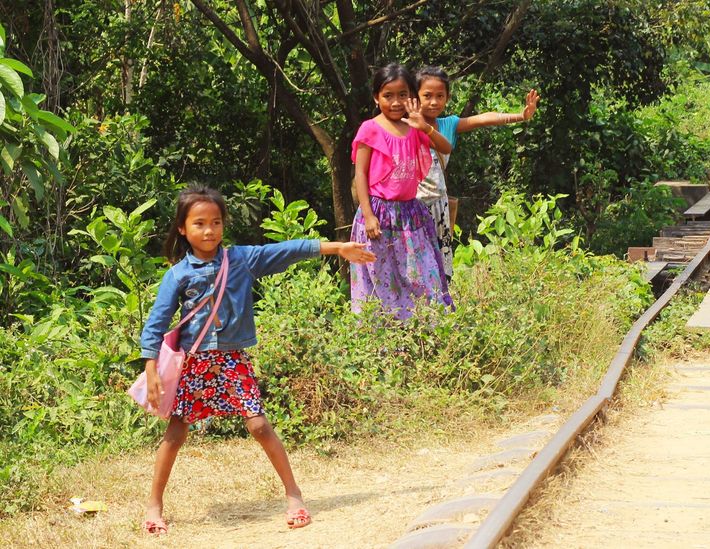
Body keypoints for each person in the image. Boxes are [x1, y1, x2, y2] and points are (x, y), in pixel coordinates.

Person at [138, 186, 375, 534]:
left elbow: (285, 250)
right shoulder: (177, 275)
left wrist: (337, 247)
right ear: (182, 229)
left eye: (216, 222)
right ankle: (154, 504)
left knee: (259, 426)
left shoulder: (241, 260)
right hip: (194, 364)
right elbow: (156, 324)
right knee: (175, 434)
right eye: (200, 223)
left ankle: (294, 494)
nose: (209, 231)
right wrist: (150, 369)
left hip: (234, 361)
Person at [350, 63, 453, 319]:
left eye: (403, 95)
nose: (396, 102)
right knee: (379, 281)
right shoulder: (370, 128)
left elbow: (446, 147)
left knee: (422, 276)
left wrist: (424, 126)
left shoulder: (415, 128)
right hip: (378, 215)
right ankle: (382, 339)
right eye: (388, 95)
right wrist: (369, 214)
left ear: (412, 97)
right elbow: (360, 174)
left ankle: (423, 331)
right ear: (376, 97)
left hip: (411, 215)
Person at [415, 66, 539, 277]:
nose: (434, 101)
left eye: (440, 96)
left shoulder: (449, 124)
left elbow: (484, 118)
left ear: (448, 97)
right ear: (415, 96)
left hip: (438, 204)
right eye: (427, 96)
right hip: (409, 205)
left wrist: (521, 115)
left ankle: (439, 304)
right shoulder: (404, 125)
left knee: (439, 260)